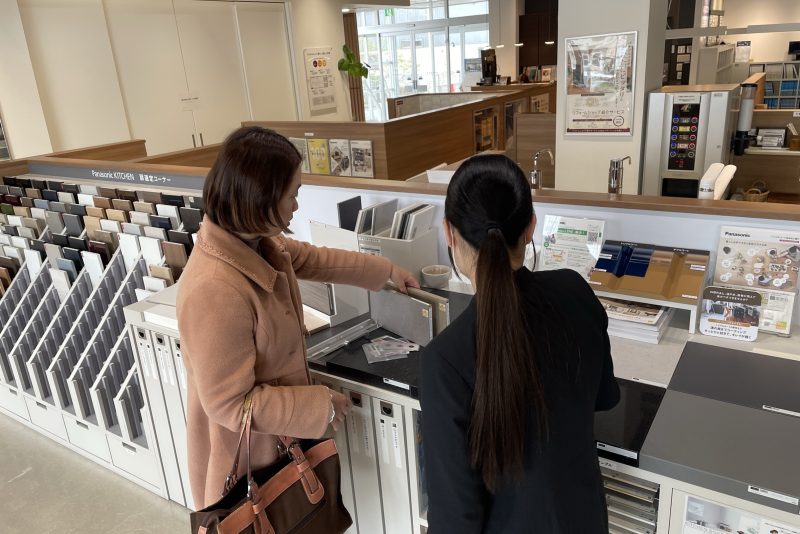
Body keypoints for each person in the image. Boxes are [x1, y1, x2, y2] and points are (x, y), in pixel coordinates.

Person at [177, 126, 418, 508]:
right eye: (293, 195)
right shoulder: (214, 288)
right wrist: (316, 407)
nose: (297, 206)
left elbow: (314, 258)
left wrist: (385, 270)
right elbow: (229, 406)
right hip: (248, 468)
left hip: (278, 447)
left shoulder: (255, 243)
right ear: (260, 199)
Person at [419, 154, 620, 533]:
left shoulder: (445, 359)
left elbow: (453, 520)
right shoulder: (575, 291)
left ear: (448, 232)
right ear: (530, 227)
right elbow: (605, 397)